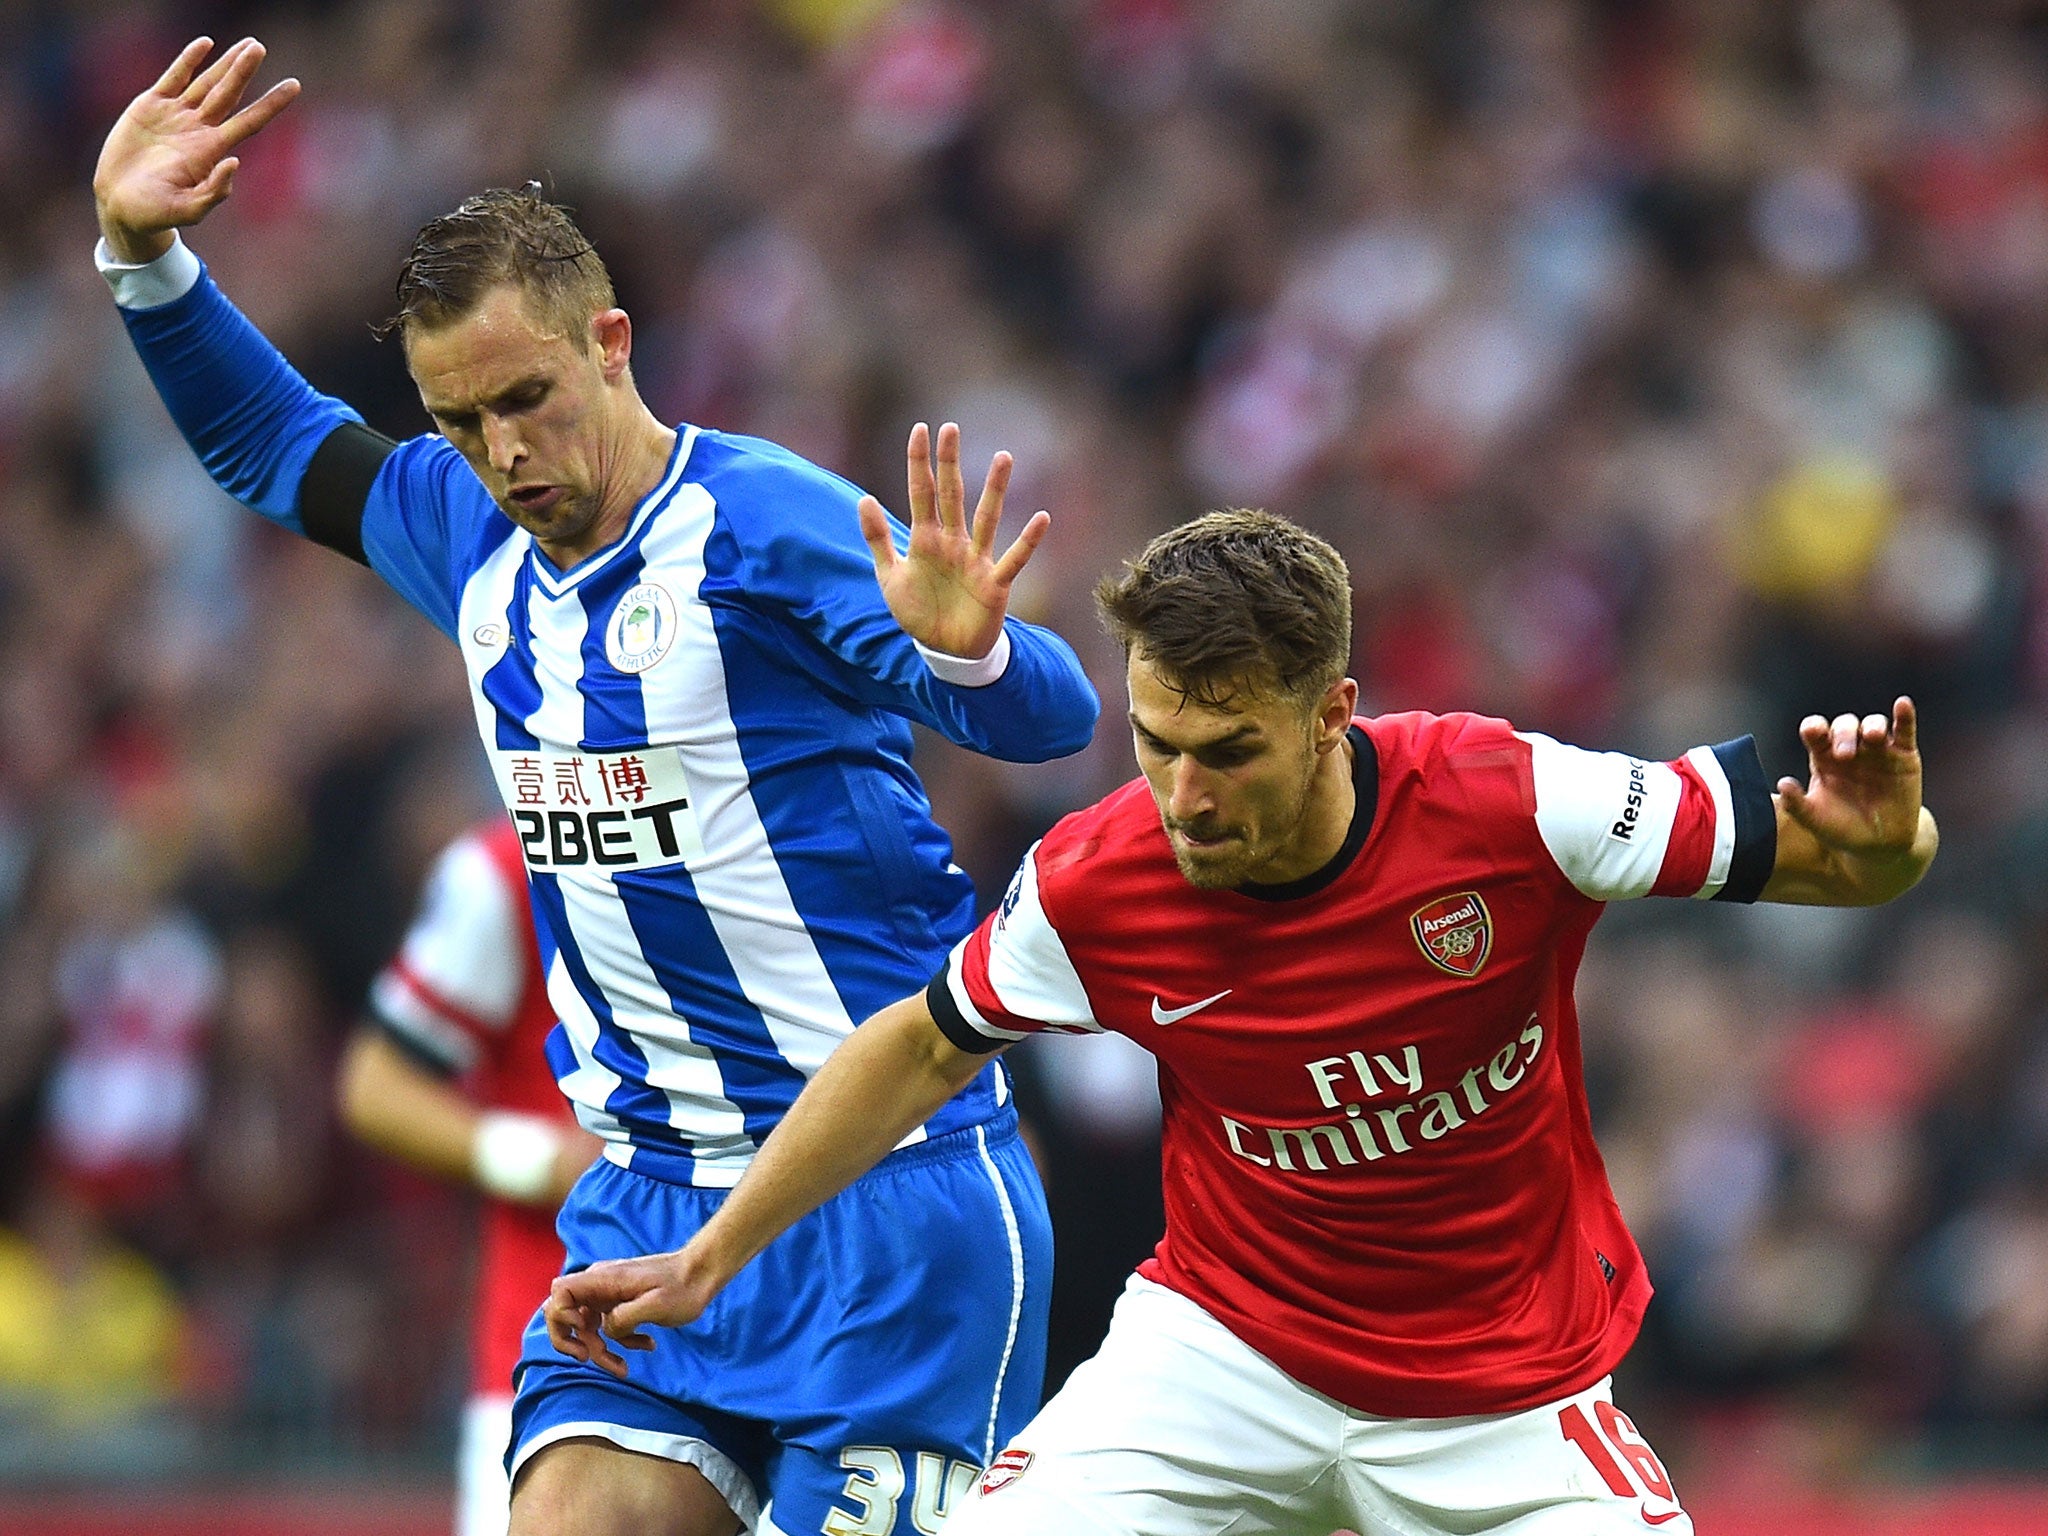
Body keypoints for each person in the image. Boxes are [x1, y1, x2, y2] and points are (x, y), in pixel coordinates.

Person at [93, 37, 1099, 1536]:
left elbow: (1054, 721)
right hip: (645, 1202)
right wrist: (141, 253)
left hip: (887, 1205)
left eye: (527, 397)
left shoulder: (763, 526)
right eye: (457, 419)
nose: (504, 452)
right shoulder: (471, 532)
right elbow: (272, 441)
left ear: (612, 342)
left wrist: (970, 658)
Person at [545, 509, 1940, 1536]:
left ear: (1333, 713)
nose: (1186, 795)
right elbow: (918, 1044)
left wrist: (1890, 843)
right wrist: (711, 1256)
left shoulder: (1511, 802)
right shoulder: (1101, 882)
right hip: (1227, 1351)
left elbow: (1840, 860)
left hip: (1502, 1394)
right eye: (1156, 745)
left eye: (1229, 752)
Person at [338, 817, 603, 1536]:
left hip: (763, 1350)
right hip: (550, 1351)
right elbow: (375, 1084)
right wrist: (537, 1160)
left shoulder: (792, 837)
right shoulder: (506, 872)